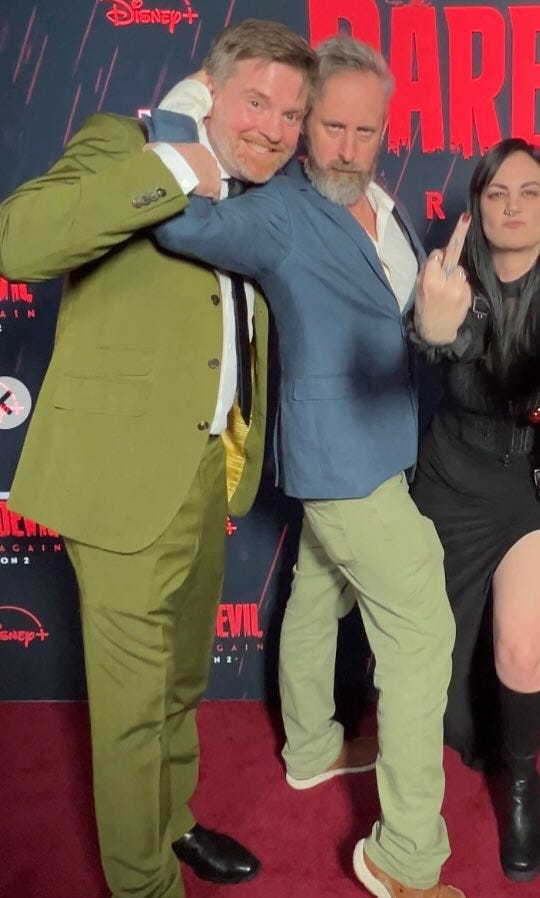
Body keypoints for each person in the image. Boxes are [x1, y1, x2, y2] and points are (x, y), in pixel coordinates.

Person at [0, 19, 315, 898]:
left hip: (207, 472)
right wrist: (177, 165)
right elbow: (18, 240)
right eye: (257, 102)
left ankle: (170, 821)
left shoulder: (262, 199)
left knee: (180, 683)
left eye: (292, 114)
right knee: (132, 712)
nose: (275, 128)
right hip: (121, 478)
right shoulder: (123, 144)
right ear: (207, 90)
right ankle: (143, 885)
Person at [150, 34, 463, 898]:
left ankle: (313, 748)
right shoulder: (283, 210)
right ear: (302, 124)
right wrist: (187, 102)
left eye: (367, 131)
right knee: (422, 635)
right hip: (339, 460)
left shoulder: (384, 203)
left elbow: (403, 318)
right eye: (331, 127)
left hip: (385, 442)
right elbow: (177, 218)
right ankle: (405, 858)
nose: (348, 149)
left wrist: (440, 327)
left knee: (319, 591)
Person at [409, 137, 540, 881]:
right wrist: (436, 329)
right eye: (498, 193)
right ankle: (452, 751)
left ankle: (524, 786)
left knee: (524, 651)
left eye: (529, 192)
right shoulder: (451, 275)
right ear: (477, 206)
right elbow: (452, 333)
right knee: (436, 664)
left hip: (532, 482)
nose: (514, 206)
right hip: (452, 478)